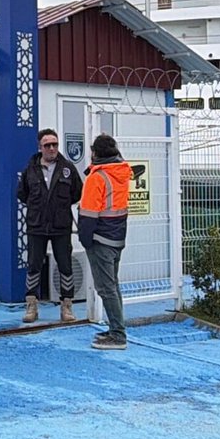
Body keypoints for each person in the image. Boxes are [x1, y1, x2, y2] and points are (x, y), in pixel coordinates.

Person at [16, 128, 83, 323]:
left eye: (55, 144)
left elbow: (77, 193)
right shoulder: (31, 170)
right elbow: (22, 194)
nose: (52, 148)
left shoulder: (68, 168)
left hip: (60, 226)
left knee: (65, 266)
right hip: (36, 226)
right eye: (47, 145)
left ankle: (66, 307)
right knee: (34, 266)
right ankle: (31, 306)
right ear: (40, 147)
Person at [79, 134, 132, 350]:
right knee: (113, 285)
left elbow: (89, 213)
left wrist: (85, 239)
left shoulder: (97, 178)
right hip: (117, 237)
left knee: (105, 287)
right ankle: (115, 329)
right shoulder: (121, 173)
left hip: (100, 239)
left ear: (95, 153)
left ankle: (118, 335)